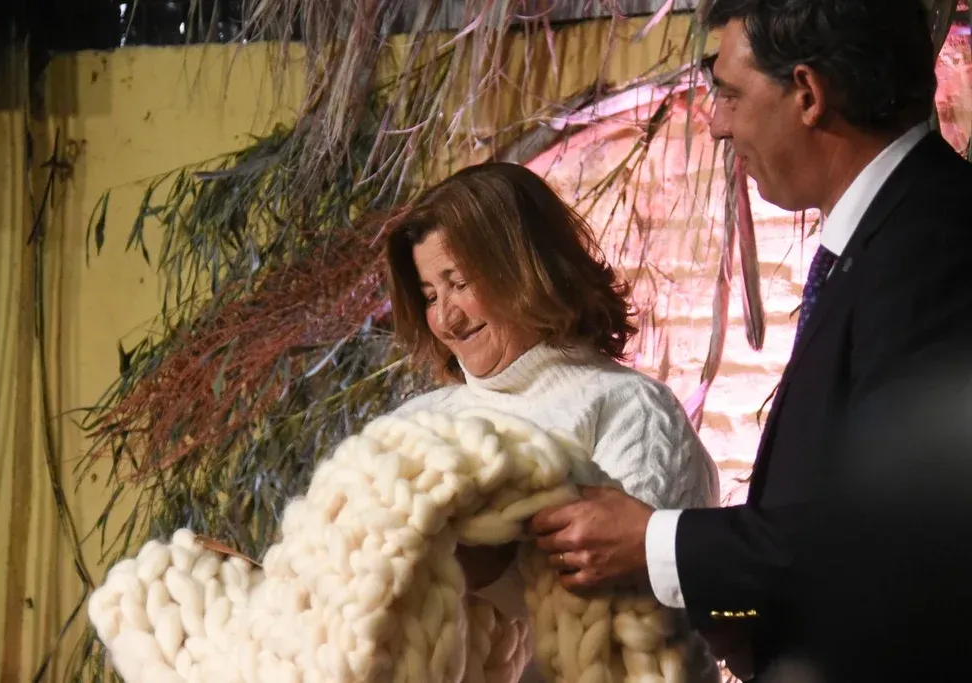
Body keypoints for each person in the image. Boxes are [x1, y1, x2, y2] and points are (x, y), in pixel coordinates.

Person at [526, 0, 972, 680]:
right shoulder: (885, 236)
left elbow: (905, 534)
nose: (716, 124)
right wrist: (744, 619)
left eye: (730, 95)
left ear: (808, 94)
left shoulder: (938, 242)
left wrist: (654, 542)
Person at [382, 161, 721, 681]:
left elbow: (632, 620)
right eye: (430, 296)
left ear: (525, 266)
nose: (446, 318)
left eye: (460, 283)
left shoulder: (632, 411)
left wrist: (484, 567)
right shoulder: (416, 423)